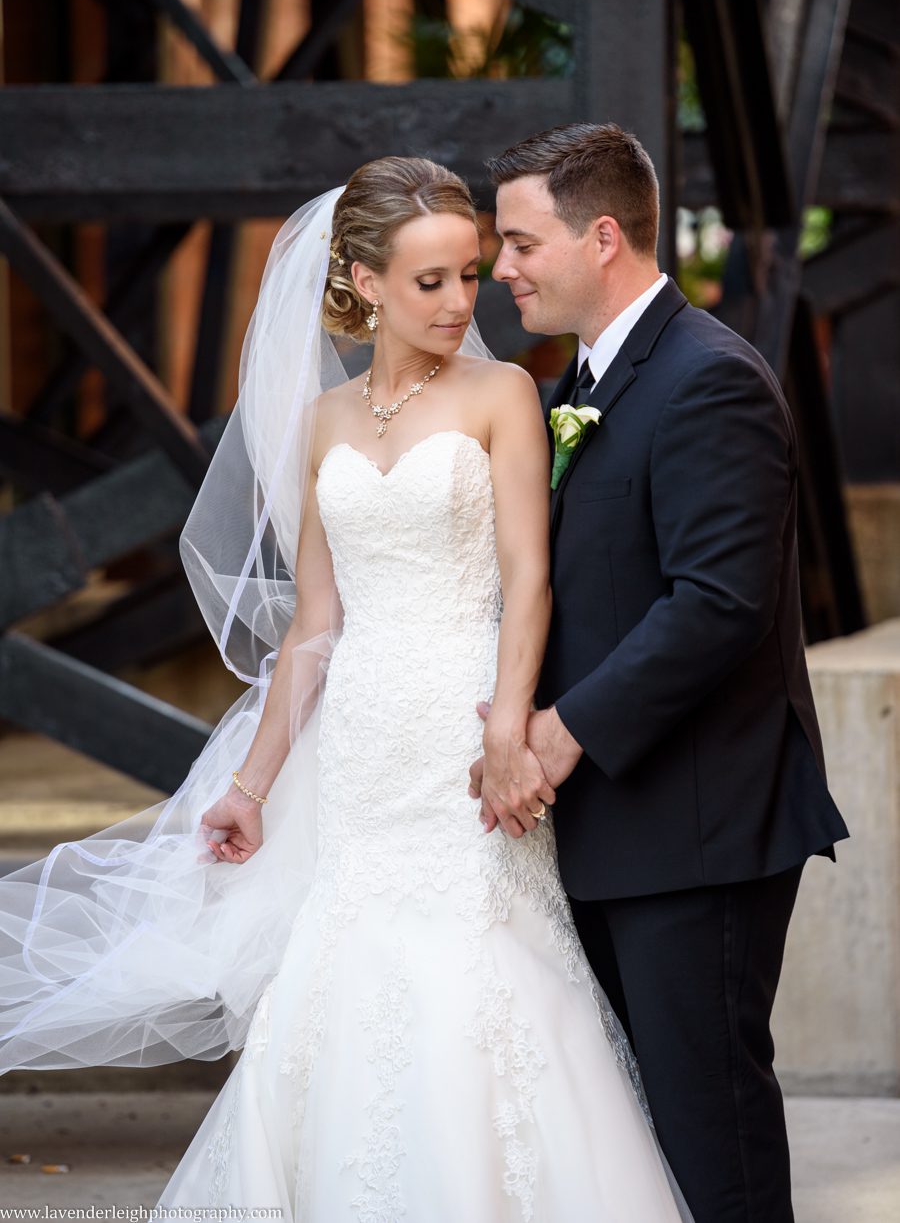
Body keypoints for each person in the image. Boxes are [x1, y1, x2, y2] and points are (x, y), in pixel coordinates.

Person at [0, 157, 692, 1221]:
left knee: (477, 974)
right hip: (363, 744)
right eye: (430, 282)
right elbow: (315, 630)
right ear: (365, 282)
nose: (462, 302)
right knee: (344, 971)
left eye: (470, 273)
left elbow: (530, 580)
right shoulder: (322, 420)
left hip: (465, 731)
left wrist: (509, 730)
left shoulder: (504, 394)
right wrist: (255, 781)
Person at [470, 122, 850, 1223]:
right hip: (615, 830)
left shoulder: (709, 380)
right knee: (634, 1143)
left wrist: (562, 728)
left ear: (601, 238)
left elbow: (718, 604)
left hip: (697, 829)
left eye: (519, 242)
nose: (503, 269)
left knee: (708, 1131)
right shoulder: (581, 382)